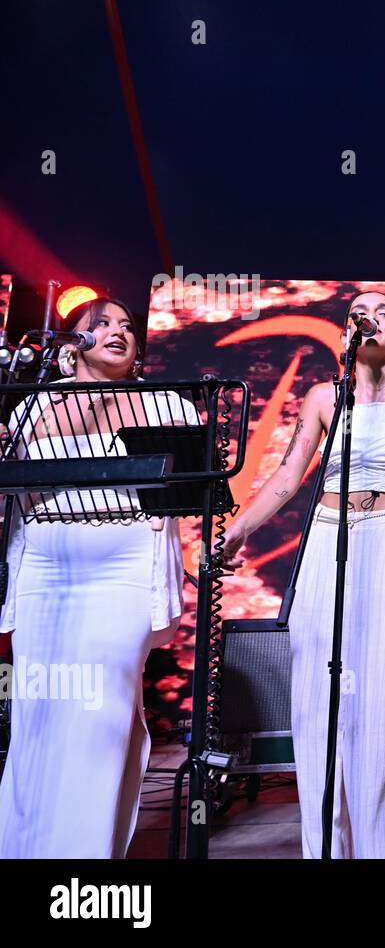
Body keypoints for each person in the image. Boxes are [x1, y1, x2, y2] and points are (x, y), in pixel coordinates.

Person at [222, 290, 385, 859]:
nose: (372, 318)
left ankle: (381, 847)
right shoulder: (325, 398)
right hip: (330, 538)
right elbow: (287, 476)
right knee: (318, 694)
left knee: (382, 694)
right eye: (361, 311)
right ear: (345, 335)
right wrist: (238, 529)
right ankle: (326, 846)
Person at [0, 298, 188, 857]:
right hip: (44, 574)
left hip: (122, 576)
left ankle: (85, 862)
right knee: (40, 715)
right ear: (68, 347)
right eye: (100, 325)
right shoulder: (31, 411)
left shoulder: (167, 406)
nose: (118, 332)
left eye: (128, 327)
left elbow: (186, 496)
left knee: (99, 713)